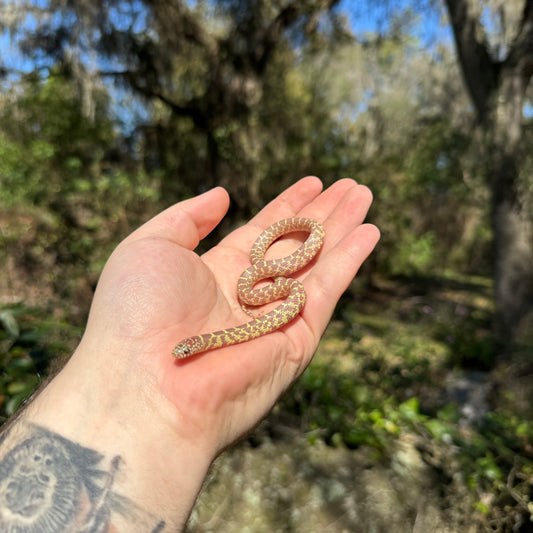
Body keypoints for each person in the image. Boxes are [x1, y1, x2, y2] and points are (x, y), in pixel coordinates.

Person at [0, 176, 379, 532]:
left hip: (273, 281)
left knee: (264, 287)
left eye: (185, 347)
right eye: (186, 347)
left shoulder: (266, 293)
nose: (182, 350)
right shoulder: (246, 298)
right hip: (265, 284)